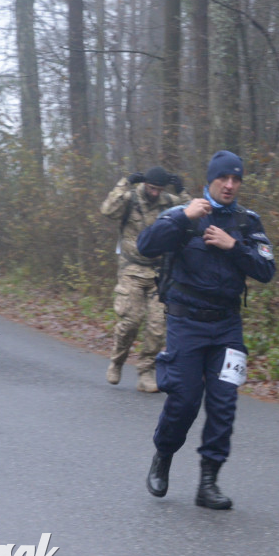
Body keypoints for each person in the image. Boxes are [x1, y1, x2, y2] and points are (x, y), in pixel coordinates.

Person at [137, 150, 275, 509]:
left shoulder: (248, 223)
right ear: (209, 180)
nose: (230, 185)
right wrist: (184, 217)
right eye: (223, 179)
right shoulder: (183, 214)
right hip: (186, 322)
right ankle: (163, 454)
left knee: (223, 404)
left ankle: (208, 482)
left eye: (236, 179)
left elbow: (266, 270)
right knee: (183, 400)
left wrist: (235, 248)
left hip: (228, 328)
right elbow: (145, 245)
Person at [100, 166, 189, 392]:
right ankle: (117, 361)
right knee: (131, 320)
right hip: (131, 268)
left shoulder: (167, 201)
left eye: (159, 189)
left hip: (159, 272)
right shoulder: (130, 199)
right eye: (151, 188)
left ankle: (145, 372)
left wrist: (183, 190)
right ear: (144, 185)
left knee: (158, 326)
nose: (155, 193)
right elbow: (107, 210)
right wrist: (125, 182)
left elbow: (194, 214)